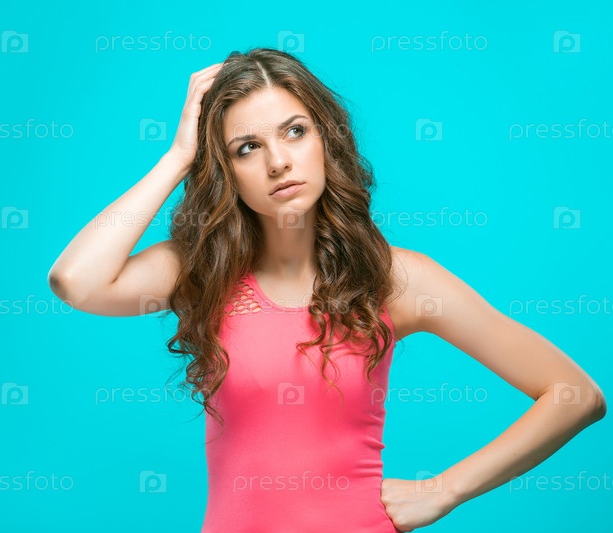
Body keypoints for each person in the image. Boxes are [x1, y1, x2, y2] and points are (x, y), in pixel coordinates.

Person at [47, 48, 607, 532]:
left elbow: (575, 395)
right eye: (246, 147)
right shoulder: (199, 273)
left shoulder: (393, 278)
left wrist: (445, 490)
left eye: (295, 131)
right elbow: (75, 280)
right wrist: (179, 157)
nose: (278, 161)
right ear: (225, 168)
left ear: (325, 139)